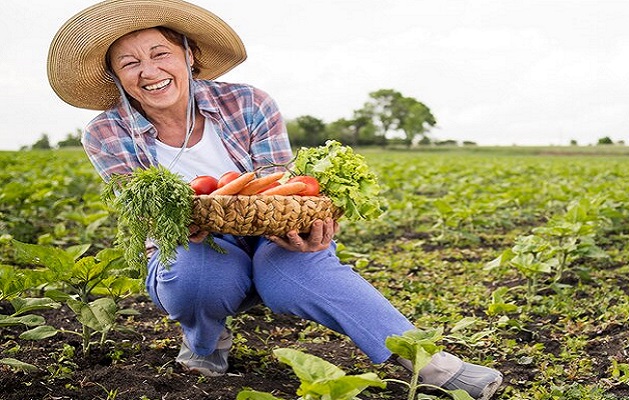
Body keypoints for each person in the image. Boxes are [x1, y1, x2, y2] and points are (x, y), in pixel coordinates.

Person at [47, 1, 503, 399]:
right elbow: (144, 208)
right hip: (194, 244)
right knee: (196, 274)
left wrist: (306, 227)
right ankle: (205, 345)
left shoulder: (248, 103)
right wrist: (184, 222)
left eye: (160, 53)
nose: (148, 71)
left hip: (270, 233)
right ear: (116, 77)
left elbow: (279, 185)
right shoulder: (106, 132)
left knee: (302, 271)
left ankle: (435, 366)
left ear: (190, 56)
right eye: (129, 63)